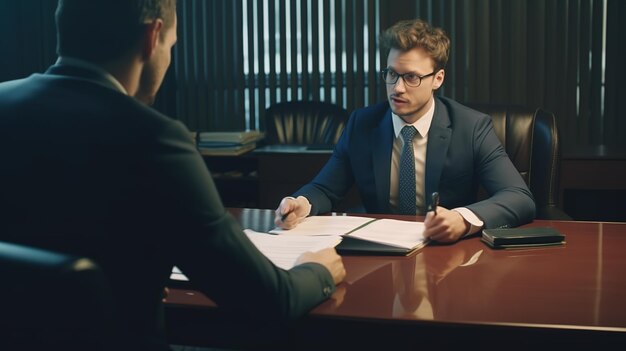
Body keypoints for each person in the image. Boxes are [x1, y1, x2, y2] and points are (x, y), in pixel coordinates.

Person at [0, 0, 345, 350]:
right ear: (153, 37)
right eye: (172, 45)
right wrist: (316, 270)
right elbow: (268, 301)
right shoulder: (153, 138)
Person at [275, 18, 535, 243]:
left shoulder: (471, 127)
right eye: (391, 73)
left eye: (411, 77)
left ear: (438, 79)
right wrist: (302, 204)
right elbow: (324, 189)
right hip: (380, 252)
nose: (397, 88)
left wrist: (463, 219)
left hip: (447, 254)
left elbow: (518, 197)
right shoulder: (362, 124)